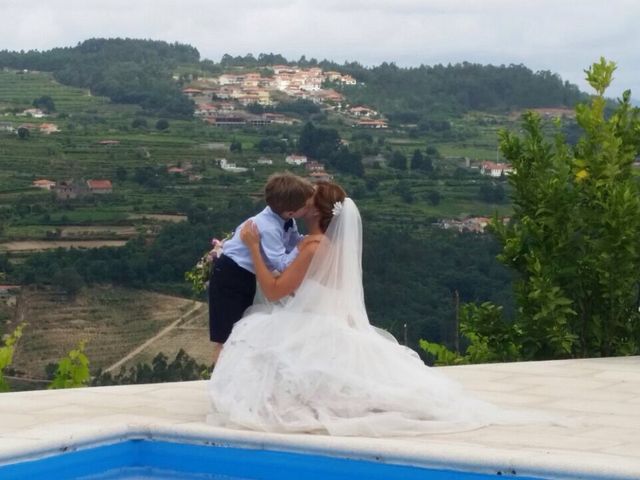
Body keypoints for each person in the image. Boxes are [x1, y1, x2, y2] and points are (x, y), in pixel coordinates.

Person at [207, 182, 540, 437]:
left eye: (309, 200)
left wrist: (251, 246)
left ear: (315, 211)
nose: (303, 202)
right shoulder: (333, 246)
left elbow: (273, 289)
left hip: (307, 318)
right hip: (326, 319)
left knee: (251, 336)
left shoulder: (311, 246)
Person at [208, 172, 314, 364]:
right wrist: (302, 248)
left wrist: (305, 241)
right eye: (305, 207)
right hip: (230, 276)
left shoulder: (287, 220)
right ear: (290, 212)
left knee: (243, 331)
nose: (308, 209)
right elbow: (281, 263)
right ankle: (218, 381)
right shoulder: (268, 227)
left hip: (245, 275)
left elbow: (291, 243)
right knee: (226, 337)